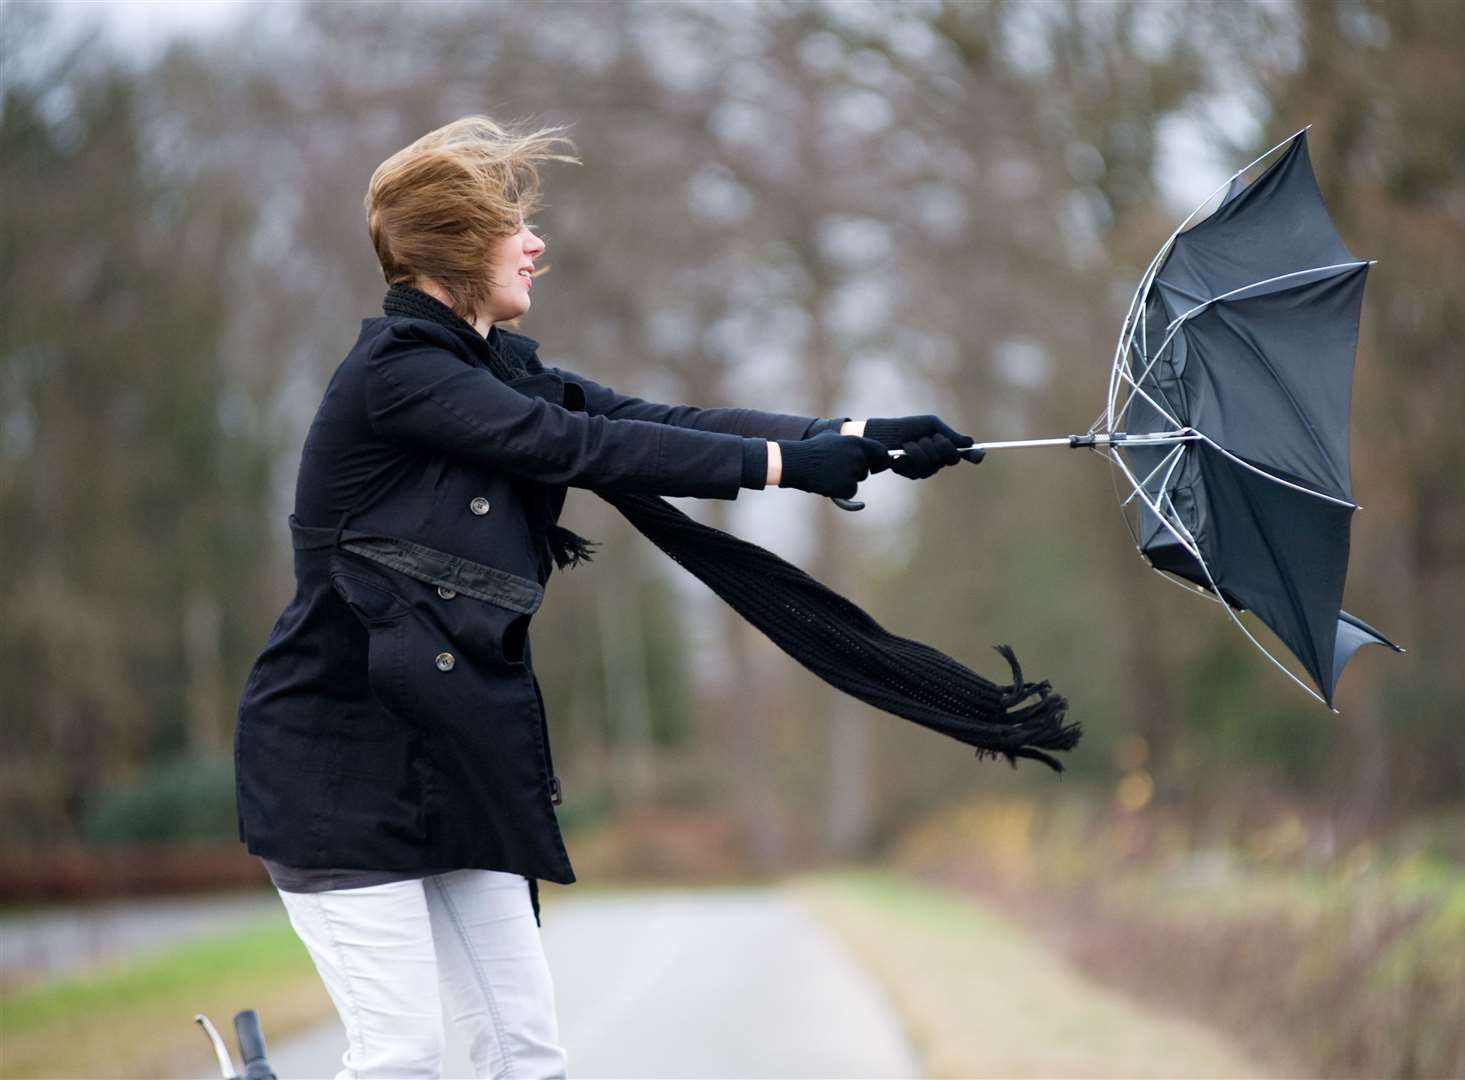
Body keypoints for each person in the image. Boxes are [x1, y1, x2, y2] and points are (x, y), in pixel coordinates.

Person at [233, 115, 982, 1080]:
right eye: (514, 226)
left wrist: (854, 431)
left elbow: (644, 419)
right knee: (403, 1057)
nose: (536, 243)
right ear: (460, 246)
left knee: (525, 1052)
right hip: (337, 763)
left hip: (454, 754)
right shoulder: (399, 376)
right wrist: (786, 465)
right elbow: (581, 450)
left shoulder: (498, 366)